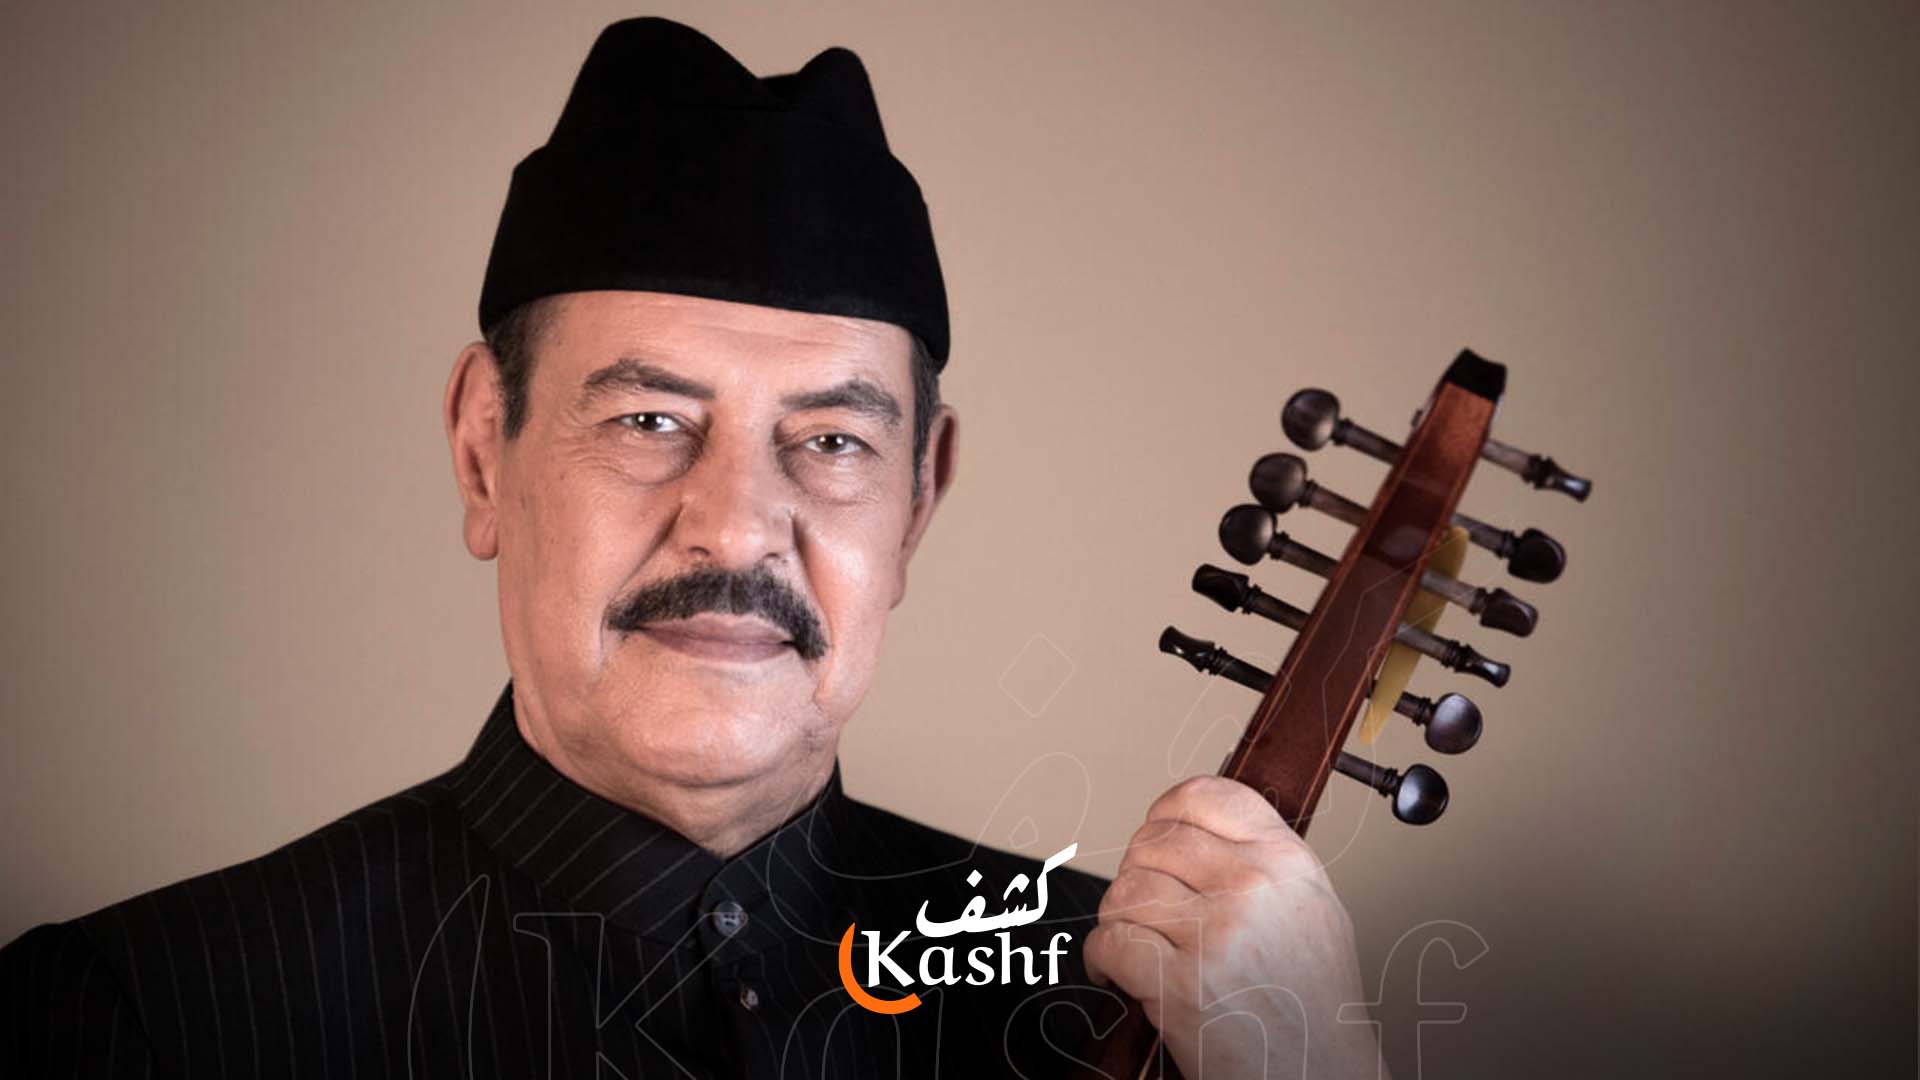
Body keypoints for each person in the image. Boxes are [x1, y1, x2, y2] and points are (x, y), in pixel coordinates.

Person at [1, 17, 1384, 1077]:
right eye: (651, 420)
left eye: (831, 440)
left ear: (919, 499)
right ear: (483, 450)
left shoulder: (1137, 997)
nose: (732, 524)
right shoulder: (142, 1018)